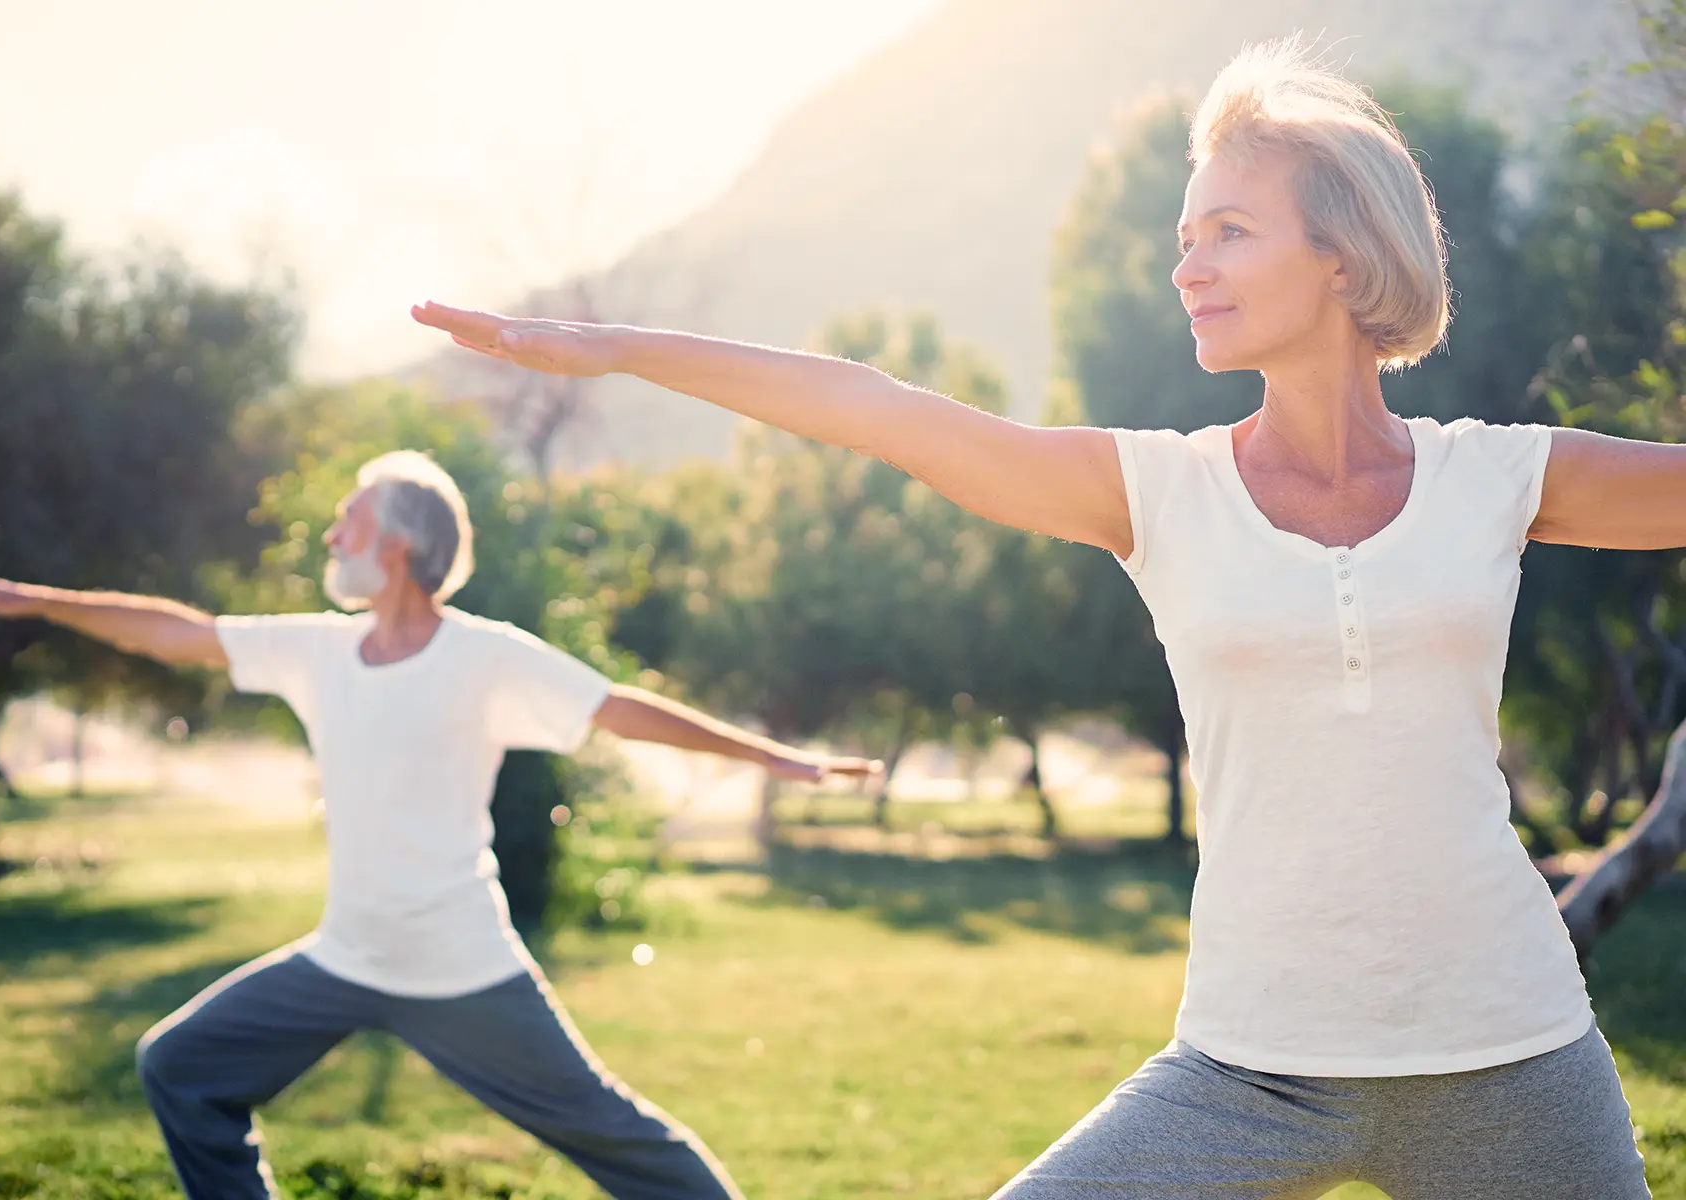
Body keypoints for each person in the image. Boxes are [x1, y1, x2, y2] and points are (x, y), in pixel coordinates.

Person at [411, 37, 1685, 1200]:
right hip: (1251, 1069)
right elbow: (886, 411)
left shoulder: (1497, 478)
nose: (1187, 266)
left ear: (1342, 255)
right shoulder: (1158, 494)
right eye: (1184, 236)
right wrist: (621, 345)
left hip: (1511, 1052)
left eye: (1229, 232)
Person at [0, 449, 878, 1200]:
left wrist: (779, 759)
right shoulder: (318, 651)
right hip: (345, 957)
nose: (333, 530)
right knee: (180, 1068)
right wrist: (40, 604)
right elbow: (178, 631)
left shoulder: (484, 659)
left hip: (461, 966)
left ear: (395, 546)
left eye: (351, 515)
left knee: (620, 1138)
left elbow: (620, 709)